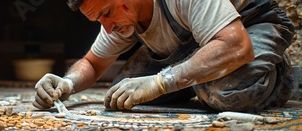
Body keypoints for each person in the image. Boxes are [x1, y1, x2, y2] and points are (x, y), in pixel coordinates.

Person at [33, 0, 295, 112]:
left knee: (222, 92)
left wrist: (161, 82)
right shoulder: (122, 17)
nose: (107, 27)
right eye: (98, 19)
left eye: (107, 13)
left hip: (250, 27)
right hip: (195, 45)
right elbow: (92, 62)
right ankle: (200, 76)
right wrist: (66, 84)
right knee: (124, 95)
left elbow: (235, 45)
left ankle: (279, 73)